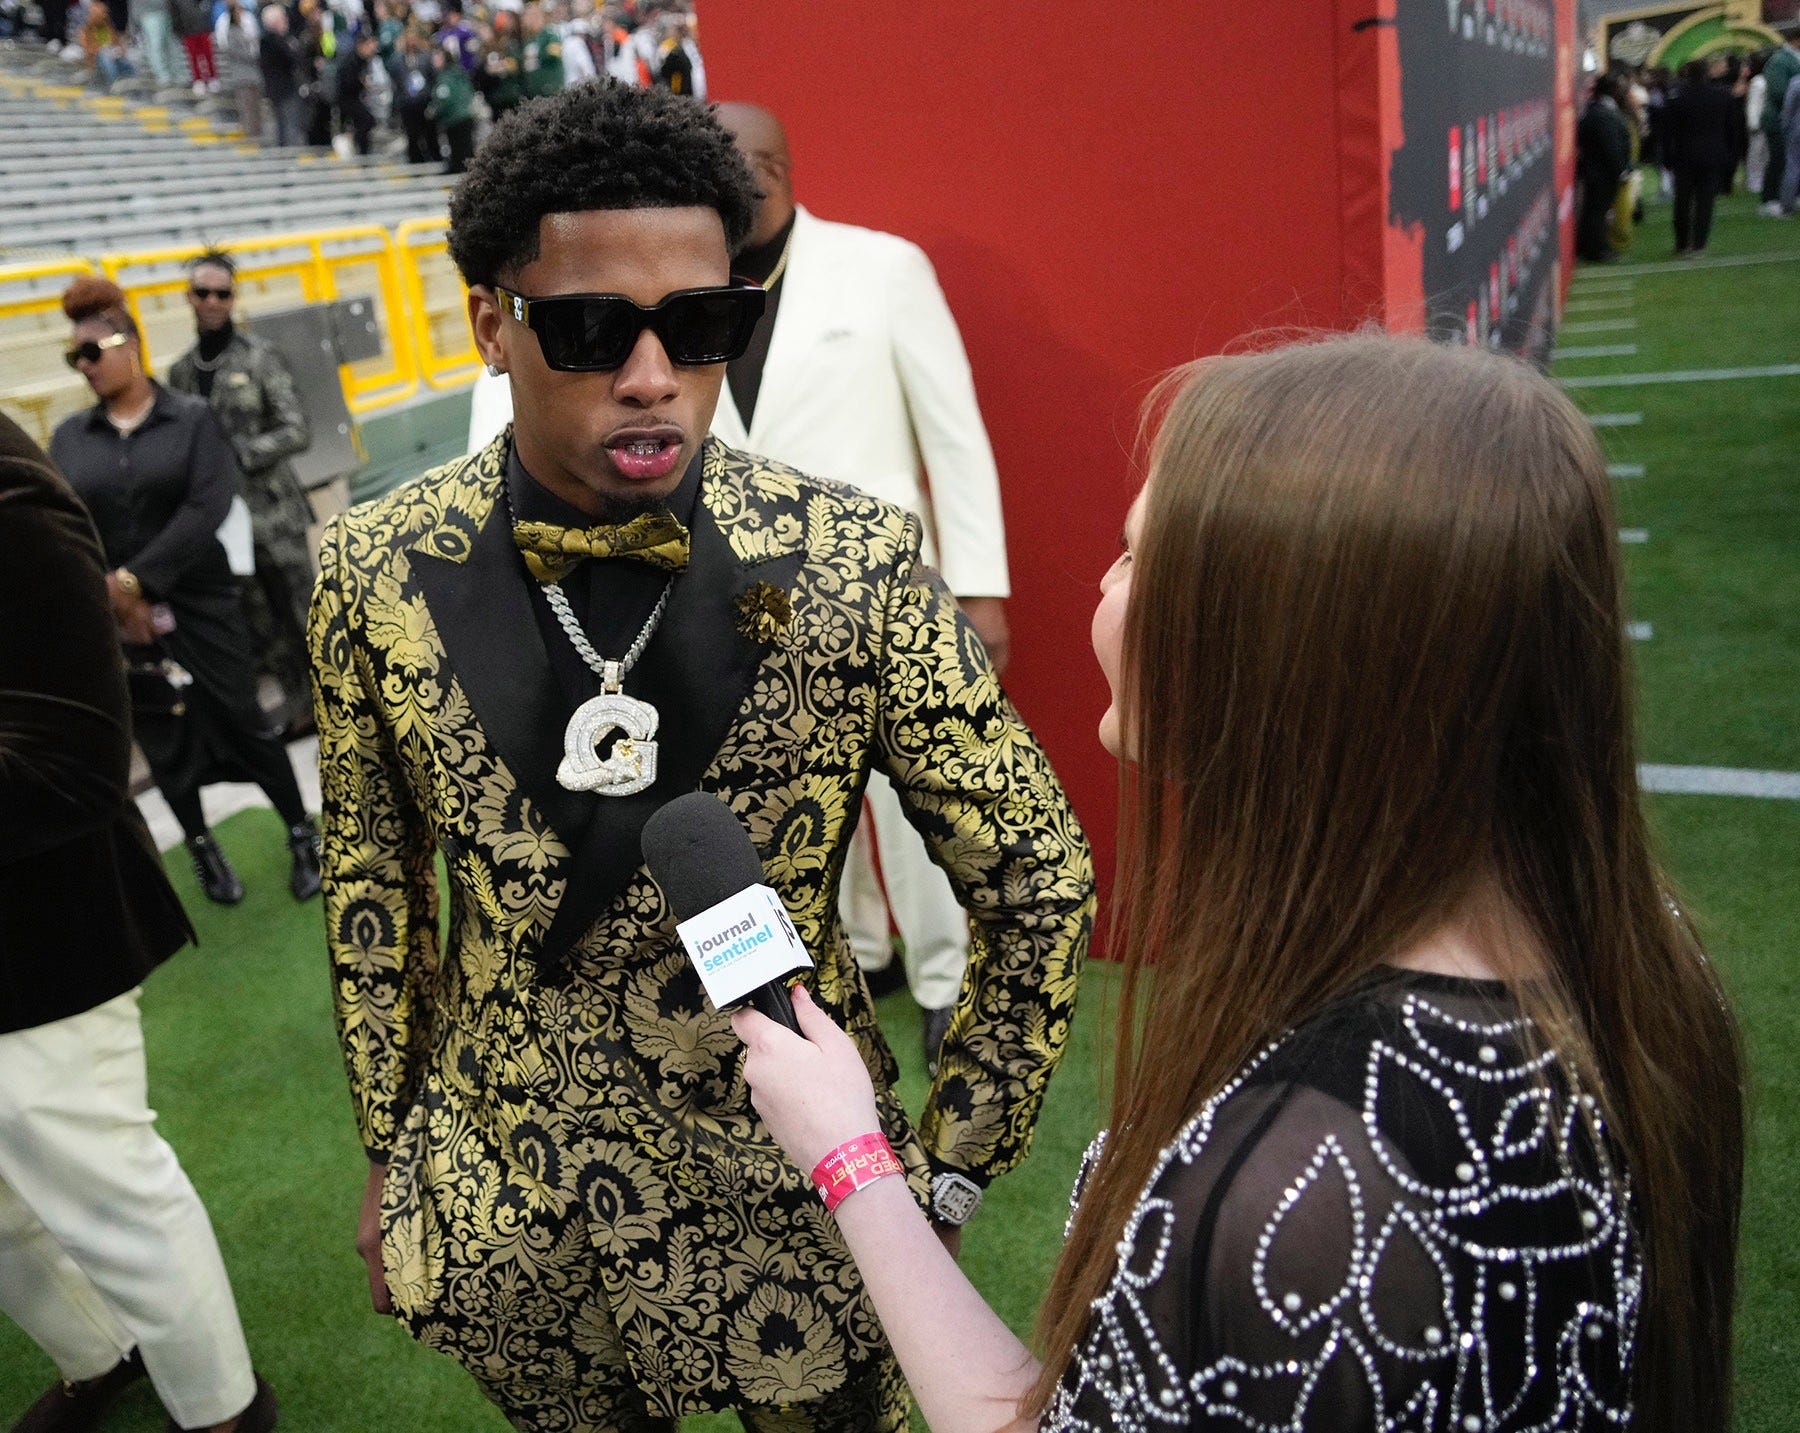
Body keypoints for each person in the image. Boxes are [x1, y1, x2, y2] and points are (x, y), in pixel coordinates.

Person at [736, 332, 1746, 1433]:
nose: (1106, 588)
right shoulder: (1648, 954)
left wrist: (850, 1158)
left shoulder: (1301, 1183)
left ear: (1273, 645)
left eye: (1135, 555)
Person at [310, 83, 1093, 1431]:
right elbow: (375, 900)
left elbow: (1040, 873)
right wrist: (395, 1152)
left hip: (809, 1208)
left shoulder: (853, 557)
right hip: (520, 1211)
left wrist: (944, 1178)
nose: (654, 375)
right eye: (590, 328)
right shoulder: (370, 573)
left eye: (705, 324)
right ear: (492, 321)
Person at [465, 102, 1016, 1071]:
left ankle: (940, 979)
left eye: (763, 160)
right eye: (732, 163)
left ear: (793, 165)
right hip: (701, 605)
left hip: (877, 589)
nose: (750, 179)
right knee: (768, 797)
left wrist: (979, 584)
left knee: (909, 805)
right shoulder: (600, 301)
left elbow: (954, 434)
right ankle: (854, 958)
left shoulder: (881, 268)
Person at [0, 411, 279, 1433]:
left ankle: (222, 1408)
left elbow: (73, 756)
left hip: (37, 924)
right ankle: (99, 1350)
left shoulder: (8, 484)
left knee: (103, 1184)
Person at [49, 277, 320, 907]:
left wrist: (135, 580)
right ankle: (202, 848)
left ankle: (301, 833)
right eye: (74, 357)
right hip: (123, 619)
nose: (84, 365)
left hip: (200, 602)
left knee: (243, 718)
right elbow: (66, 521)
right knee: (164, 736)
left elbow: (207, 504)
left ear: (131, 345)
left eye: (94, 350)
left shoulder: (192, 419)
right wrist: (112, 594)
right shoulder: (69, 438)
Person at [167, 251, 317, 737]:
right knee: (262, 622)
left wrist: (240, 453)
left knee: (305, 615)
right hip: (226, 523)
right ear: (188, 297)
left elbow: (297, 429)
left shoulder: (259, 357)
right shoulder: (181, 374)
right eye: (203, 292)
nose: (213, 302)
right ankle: (300, 709)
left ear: (234, 297)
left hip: (276, 514)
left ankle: (342, 703)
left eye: (222, 293)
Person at [1664, 58, 1739, 256]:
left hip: (1684, 155)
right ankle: (1699, 243)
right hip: (1713, 154)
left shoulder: (1677, 97)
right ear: (1707, 73)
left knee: (1682, 200)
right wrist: (1731, 154)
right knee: (1706, 201)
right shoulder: (1722, 95)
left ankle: (1682, 243)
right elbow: (1732, 128)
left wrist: (1667, 157)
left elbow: (1668, 131)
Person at [1577, 74, 1632, 262]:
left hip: (1598, 170)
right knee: (1597, 211)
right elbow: (1611, 147)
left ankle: (1594, 246)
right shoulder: (1602, 114)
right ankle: (1596, 249)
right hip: (1601, 172)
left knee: (1597, 211)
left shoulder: (1599, 110)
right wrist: (1621, 170)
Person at [1759, 27, 1800, 214]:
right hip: (1779, 119)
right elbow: (1778, 90)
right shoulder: (1779, 60)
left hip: (1793, 118)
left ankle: (1791, 196)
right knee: (1779, 159)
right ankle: (1770, 199)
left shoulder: (1792, 58)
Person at [389, 20, 441, 164]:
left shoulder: (425, 56)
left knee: (430, 133)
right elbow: (395, 81)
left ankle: (435, 158)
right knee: (412, 135)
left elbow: (433, 77)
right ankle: (416, 161)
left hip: (424, 101)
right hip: (407, 103)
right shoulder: (397, 59)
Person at [213, 0, 262, 141]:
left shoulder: (244, 28)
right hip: (241, 76)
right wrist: (253, 56)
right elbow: (236, 51)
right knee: (247, 107)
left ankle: (256, 133)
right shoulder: (231, 32)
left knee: (255, 107)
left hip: (252, 75)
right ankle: (251, 135)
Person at [256, 3, 304, 147]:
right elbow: (292, 58)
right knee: (288, 125)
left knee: (286, 124)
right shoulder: (271, 41)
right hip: (283, 89)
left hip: (282, 88)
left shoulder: (272, 41)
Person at [429, 40, 475, 172]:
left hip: (454, 118)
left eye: (438, 57)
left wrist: (434, 111)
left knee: (459, 149)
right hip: (466, 115)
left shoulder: (445, 77)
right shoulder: (459, 73)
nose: (435, 60)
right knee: (466, 148)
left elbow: (444, 99)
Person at [519, 0, 562, 99]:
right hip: (533, 93)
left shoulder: (550, 34)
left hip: (550, 90)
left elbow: (555, 53)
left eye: (529, 16)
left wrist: (538, 54)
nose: (525, 20)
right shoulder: (528, 38)